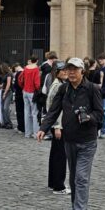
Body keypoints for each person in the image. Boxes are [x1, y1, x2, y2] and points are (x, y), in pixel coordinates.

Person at [38, 57, 103, 210]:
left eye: (75, 69)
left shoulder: (92, 89)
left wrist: (89, 118)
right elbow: (54, 111)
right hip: (70, 140)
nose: (71, 72)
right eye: (69, 69)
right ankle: (80, 208)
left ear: (83, 71)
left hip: (88, 141)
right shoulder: (63, 89)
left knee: (81, 177)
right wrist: (44, 128)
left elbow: (100, 114)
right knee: (74, 176)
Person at [45, 63, 70, 193]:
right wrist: (57, 126)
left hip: (57, 124)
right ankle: (59, 185)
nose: (66, 72)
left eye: (66, 70)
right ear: (57, 72)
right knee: (60, 155)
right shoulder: (58, 86)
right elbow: (54, 108)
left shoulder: (59, 84)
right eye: (63, 70)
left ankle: (53, 182)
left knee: (55, 154)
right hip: (58, 124)